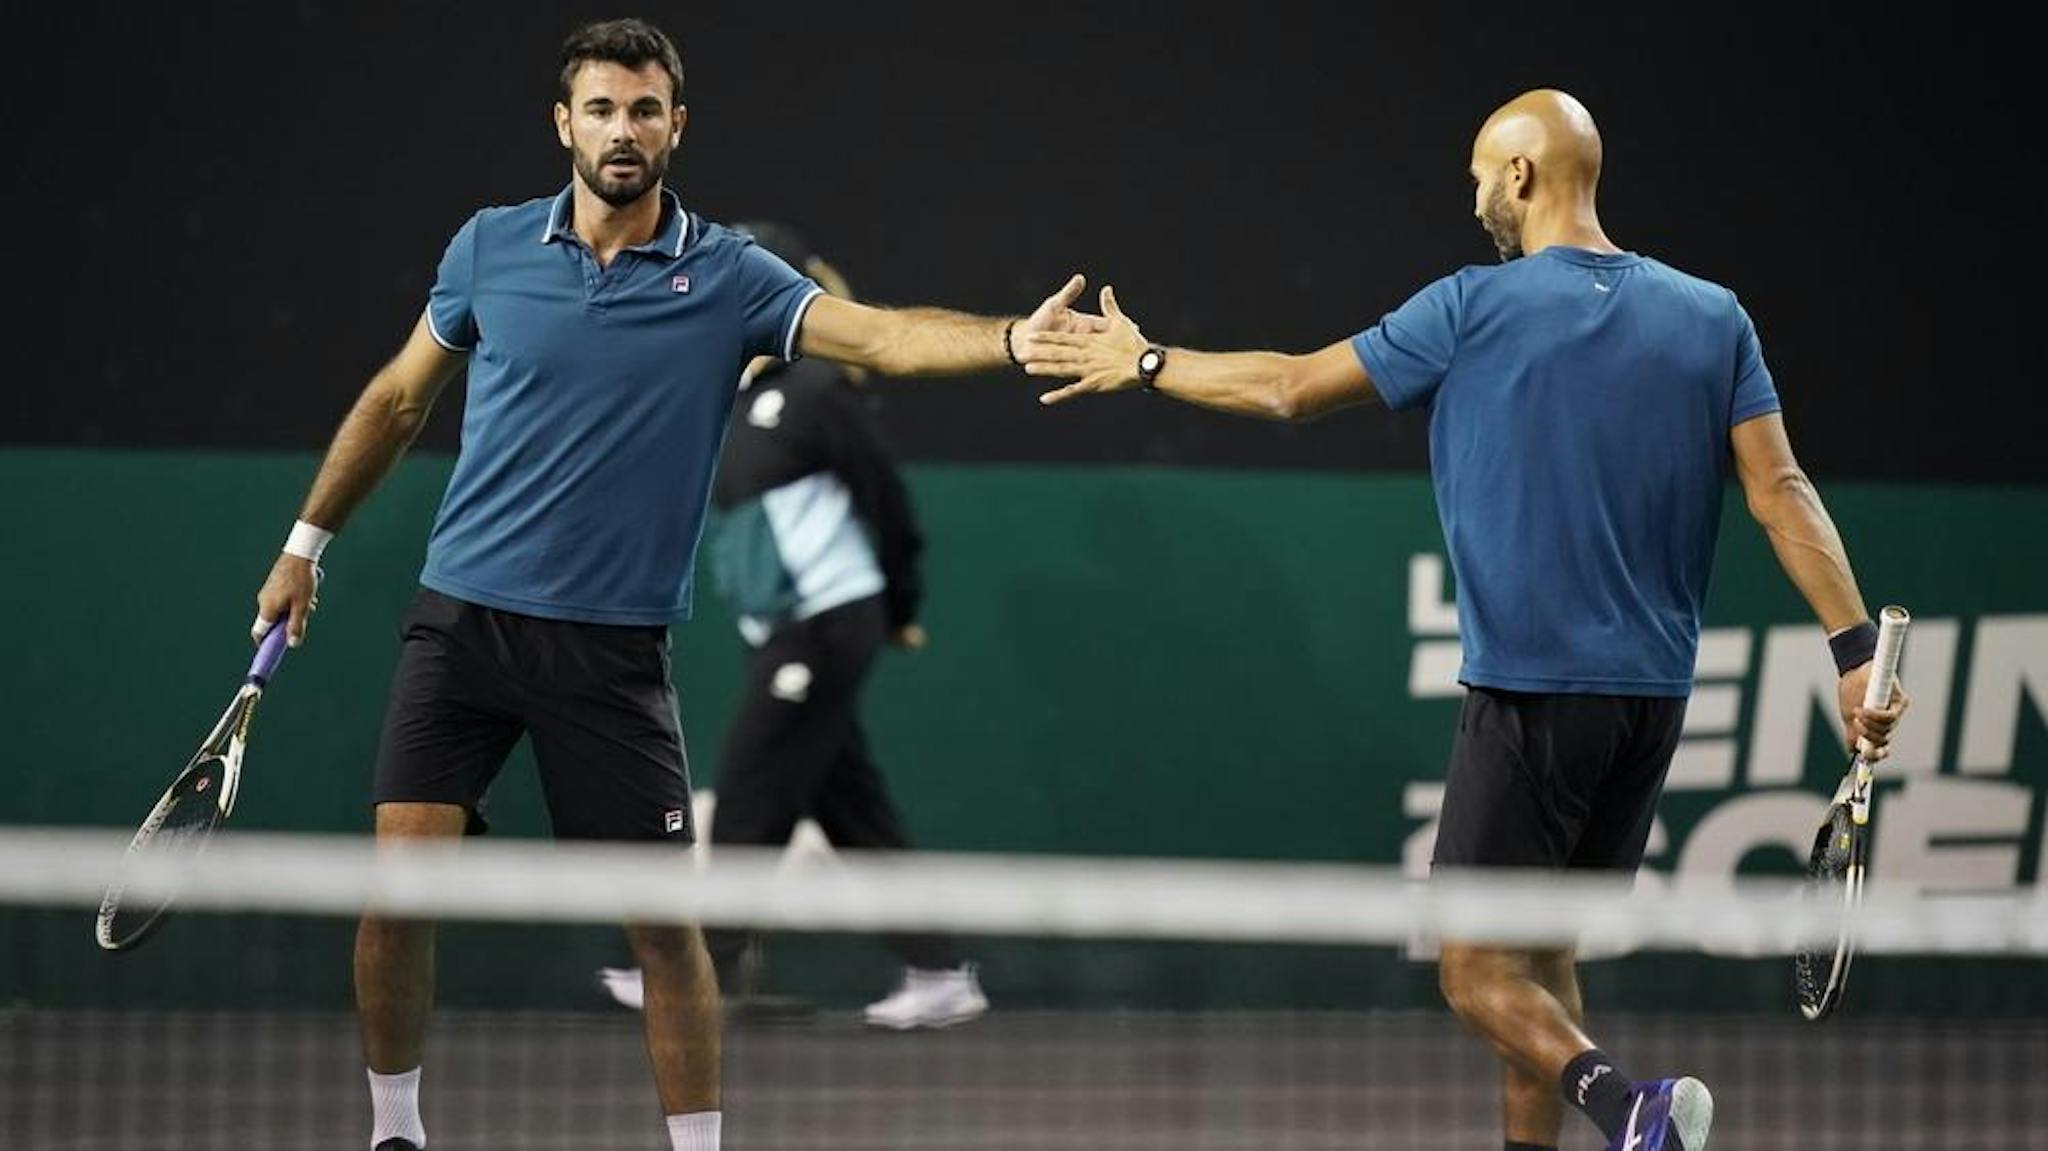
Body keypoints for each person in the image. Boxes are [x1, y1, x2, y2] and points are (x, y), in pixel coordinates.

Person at [248, 18, 1098, 1151]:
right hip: (462, 622)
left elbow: (881, 340)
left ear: (675, 126)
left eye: (644, 110)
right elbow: (400, 399)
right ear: (563, 124)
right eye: (600, 108)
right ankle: (393, 1130)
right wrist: (306, 541)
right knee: (398, 889)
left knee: (665, 932)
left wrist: (1008, 338)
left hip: (609, 653)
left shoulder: (732, 276)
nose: (622, 130)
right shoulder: (487, 249)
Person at [1015, 88, 1909, 1151]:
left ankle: (1635, 1107)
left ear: (1522, 175)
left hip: (1531, 693)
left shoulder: (1470, 305)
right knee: (1537, 962)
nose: (1476, 194)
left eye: (1482, 172)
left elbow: (1290, 388)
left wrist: (1146, 362)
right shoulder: (1712, 316)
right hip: (1648, 705)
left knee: (1471, 969)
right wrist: (1852, 651)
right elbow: (1779, 489)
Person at [597, 219, 988, 1031]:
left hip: (827, 625)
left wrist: (902, 608)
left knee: (751, 786)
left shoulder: (817, 394)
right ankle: (940, 970)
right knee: (851, 807)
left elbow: (889, 503)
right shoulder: (719, 403)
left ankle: (688, 969)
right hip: (779, 634)